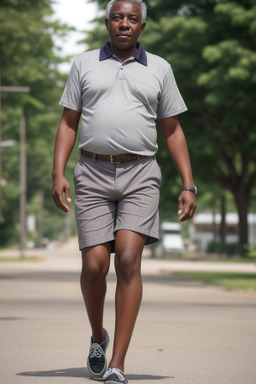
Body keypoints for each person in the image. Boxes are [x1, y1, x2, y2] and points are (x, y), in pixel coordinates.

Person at [52, 0, 197, 383]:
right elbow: (69, 121)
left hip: (141, 174)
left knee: (129, 259)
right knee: (94, 265)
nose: (124, 24)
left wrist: (188, 184)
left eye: (133, 19)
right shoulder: (83, 64)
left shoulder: (160, 69)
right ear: (107, 23)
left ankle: (116, 363)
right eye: (118, 17)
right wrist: (58, 173)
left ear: (142, 27)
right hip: (92, 173)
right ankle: (98, 336)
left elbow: (172, 130)